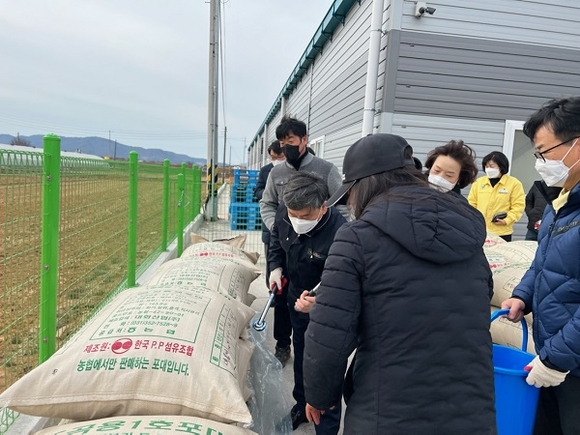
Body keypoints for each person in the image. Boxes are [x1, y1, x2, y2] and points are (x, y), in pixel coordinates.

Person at [302, 133, 496, 434]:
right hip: (471, 407)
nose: (351, 202)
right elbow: (484, 294)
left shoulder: (357, 237)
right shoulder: (465, 231)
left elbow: (330, 333)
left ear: (366, 185)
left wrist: (319, 396)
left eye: (351, 192)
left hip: (387, 410)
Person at [501, 96, 580, 435]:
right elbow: (543, 263)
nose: (541, 163)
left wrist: (556, 359)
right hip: (556, 357)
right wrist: (523, 295)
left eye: (545, 152)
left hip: (567, 361)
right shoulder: (560, 201)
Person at [259, 116, 345, 365]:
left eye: (291, 140)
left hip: (316, 248)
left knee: (308, 298)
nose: (285, 146)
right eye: (282, 142)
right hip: (285, 243)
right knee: (280, 294)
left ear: (304, 140)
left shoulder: (325, 170)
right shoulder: (276, 173)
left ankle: (309, 347)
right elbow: (267, 204)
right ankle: (282, 343)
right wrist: (278, 228)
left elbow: (341, 206)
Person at [268, 172, 346, 433]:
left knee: (325, 366)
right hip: (296, 298)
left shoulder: (341, 233)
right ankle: (302, 405)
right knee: (302, 354)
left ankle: (326, 424)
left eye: (305, 216)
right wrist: (275, 267)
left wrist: (320, 301)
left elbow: (345, 280)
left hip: (328, 310)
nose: (297, 220)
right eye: (293, 214)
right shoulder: (285, 212)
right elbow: (277, 241)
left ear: (323, 207)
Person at [467, 151, 525, 241]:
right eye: (486, 166)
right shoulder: (479, 182)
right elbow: (471, 203)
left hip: (502, 232)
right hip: (480, 230)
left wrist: (507, 220)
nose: (488, 169)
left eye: (492, 166)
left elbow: (518, 206)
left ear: (501, 166)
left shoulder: (514, 184)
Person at [254, 140, 285, 258]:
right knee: (271, 258)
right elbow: (257, 190)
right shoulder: (265, 170)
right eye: (273, 157)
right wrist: (270, 194)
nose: (276, 160)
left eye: (279, 157)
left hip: (288, 220)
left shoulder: (292, 170)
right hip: (270, 221)